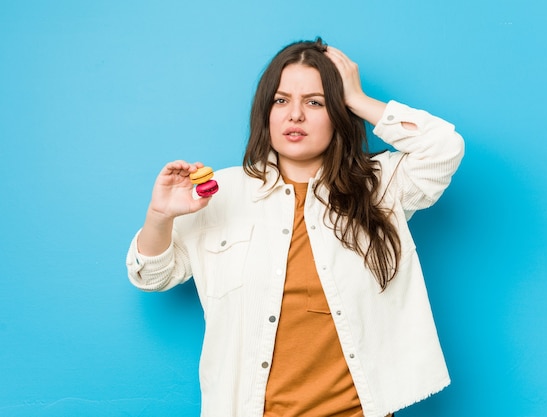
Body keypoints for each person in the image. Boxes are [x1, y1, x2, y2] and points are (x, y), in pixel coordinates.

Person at [126, 38, 464, 417]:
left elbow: (444, 147)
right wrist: (160, 216)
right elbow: (152, 277)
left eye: (316, 102)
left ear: (338, 113)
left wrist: (354, 96)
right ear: (265, 112)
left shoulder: (380, 185)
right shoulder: (220, 191)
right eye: (281, 100)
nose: (295, 115)